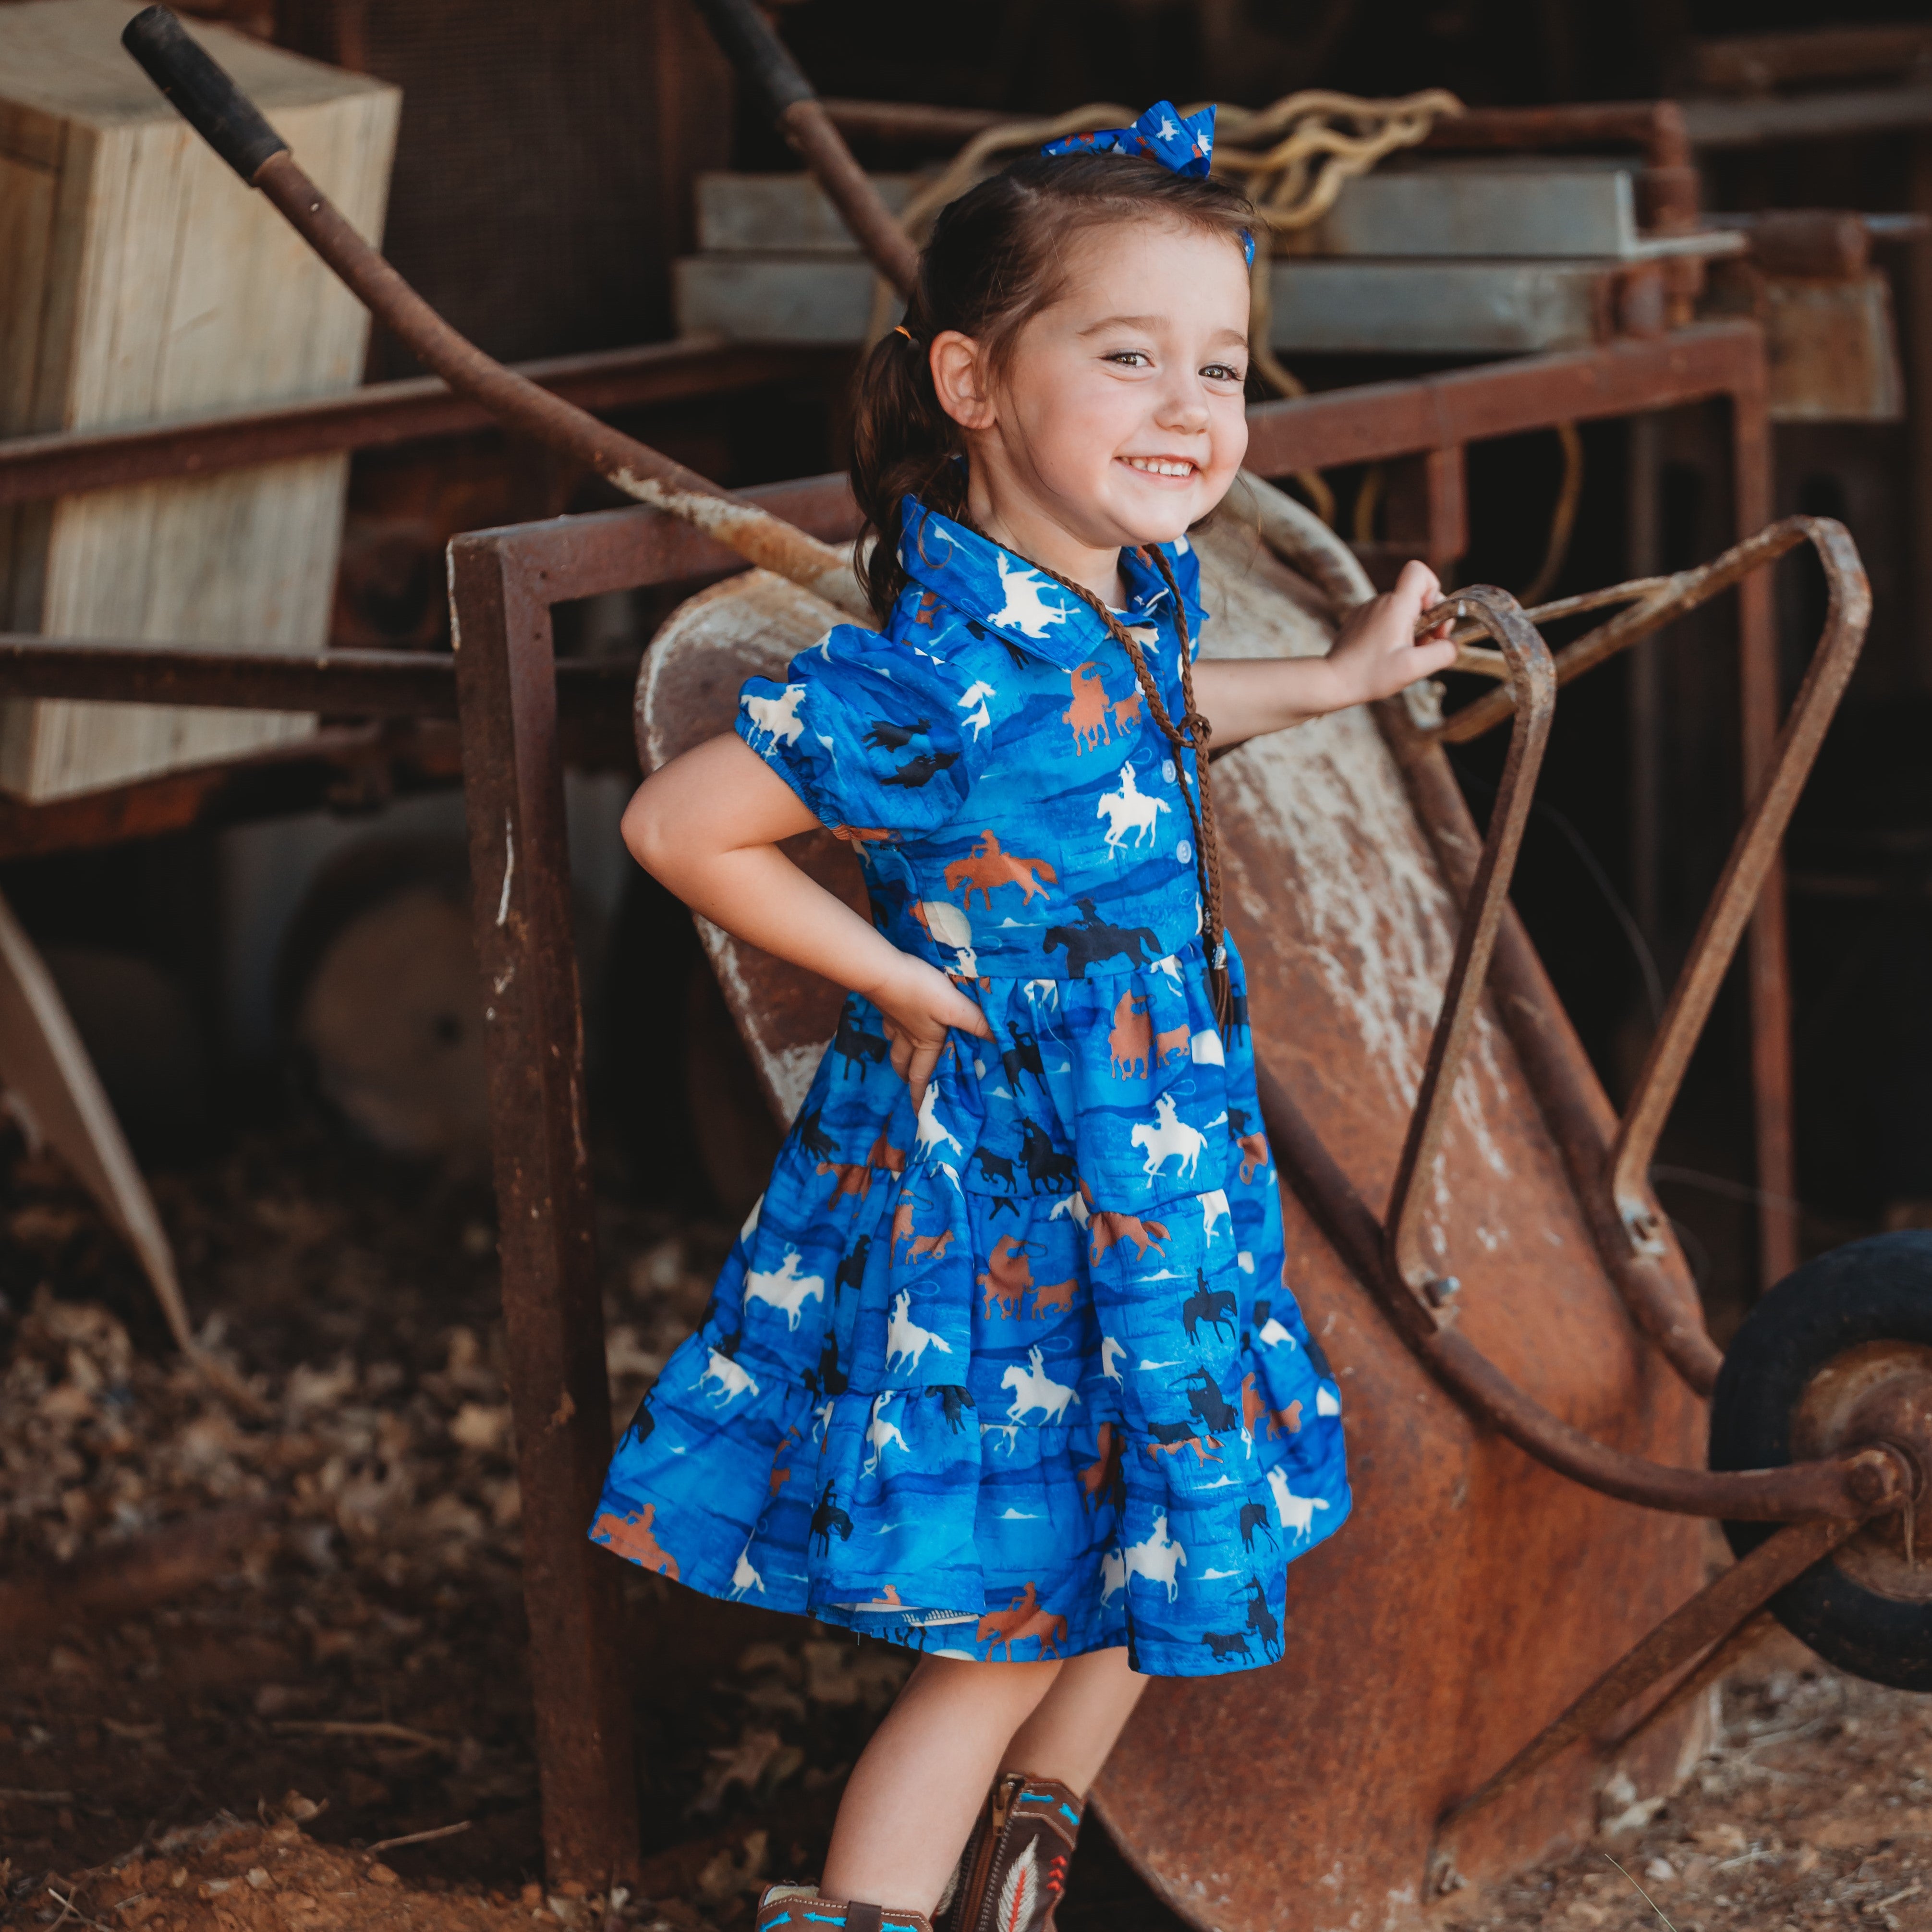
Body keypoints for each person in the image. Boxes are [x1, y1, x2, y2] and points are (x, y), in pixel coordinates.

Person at [593, 101, 1458, 1932]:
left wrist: (1344, 672)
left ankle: (1027, 1862)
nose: (1187, 411)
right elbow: (679, 828)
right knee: (1015, 1625)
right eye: (1127, 357)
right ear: (975, 382)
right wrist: (900, 976)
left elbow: (1138, 736)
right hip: (1022, 1198)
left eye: (1218, 367)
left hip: (1154, 1166)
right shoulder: (929, 662)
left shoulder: (1112, 604)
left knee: (1190, 1507)